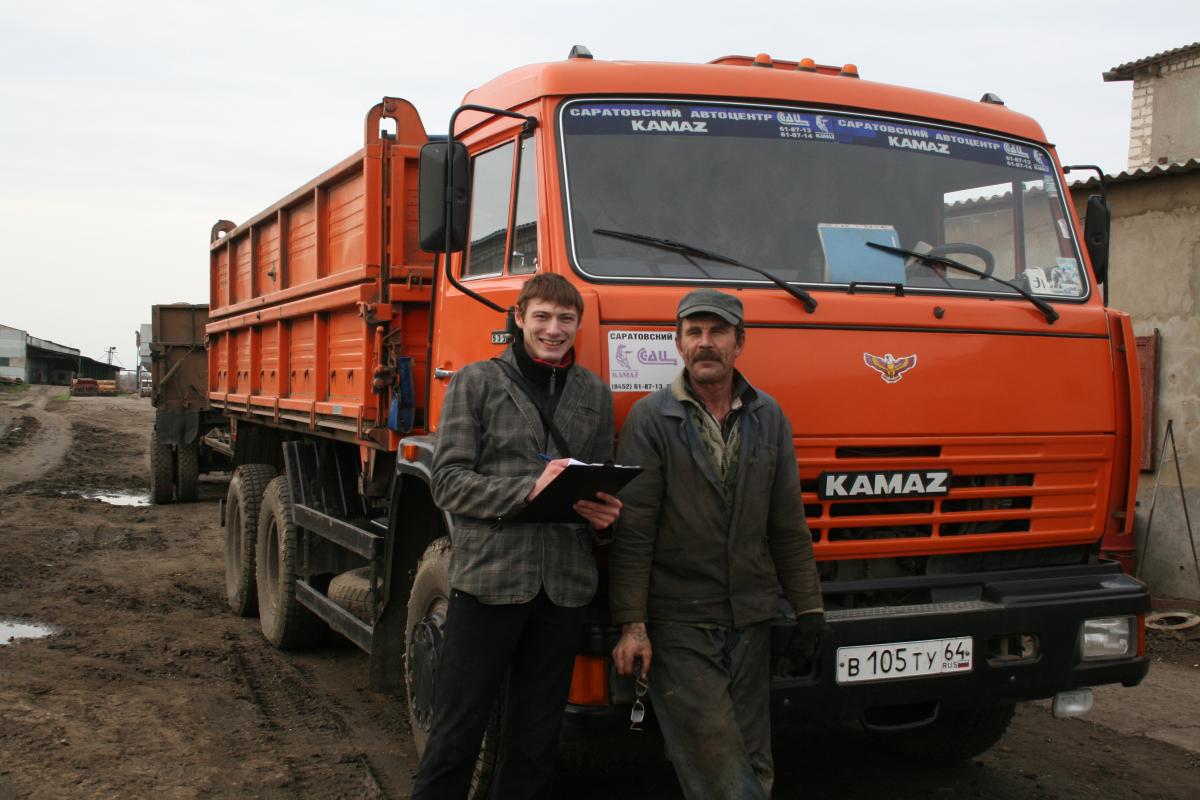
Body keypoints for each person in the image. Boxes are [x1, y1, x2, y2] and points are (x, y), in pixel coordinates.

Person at [609, 288, 826, 800]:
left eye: (718, 332)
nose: (706, 343)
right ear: (678, 344)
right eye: (694, 333)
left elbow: (788, 525)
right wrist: (633, 626)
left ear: (739, 342)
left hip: (751, 617)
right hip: (681, 620)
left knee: (754, 760)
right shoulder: (650, 419)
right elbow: (633, 531)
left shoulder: (768, 416)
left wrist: (809, 607)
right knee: (723, 776)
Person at [412, 273, 623, 799]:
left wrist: (603, 516)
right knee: (457, 730)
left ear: (578, 325)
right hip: (488, 582)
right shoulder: (476, 382)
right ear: (520, 319)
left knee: (536, 739)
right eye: (543, 317)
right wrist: (527, 492)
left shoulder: (595, 393)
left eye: (566, 320)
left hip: (564, 590)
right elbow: (448, 481)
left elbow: (594, 477)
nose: (554, 330)